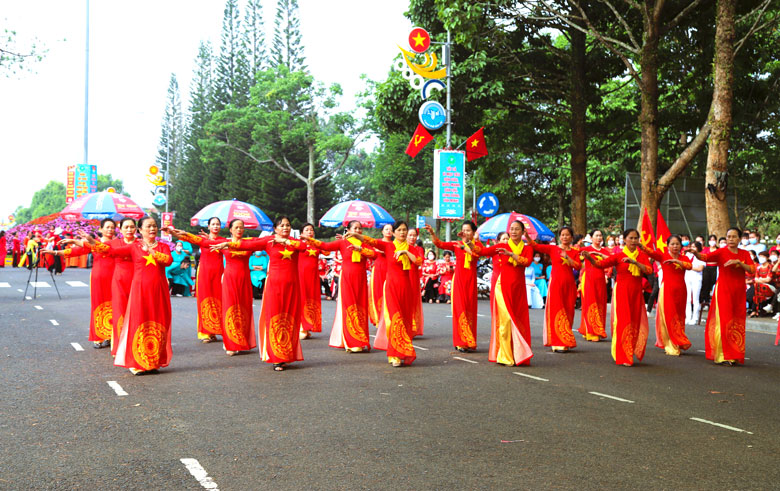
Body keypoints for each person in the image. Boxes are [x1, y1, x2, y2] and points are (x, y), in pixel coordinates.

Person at [78, 217, 173, 375]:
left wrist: (151, 251)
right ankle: (137, 363)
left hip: (159, 291)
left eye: (154, 226)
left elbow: (168, 261)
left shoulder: (162, 246)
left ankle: (153, 361)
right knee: (138, 322)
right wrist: (93, 243)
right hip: (140, 291)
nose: (152, 229)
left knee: (158, 322)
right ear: (140, 230)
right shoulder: (134, 247)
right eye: (148, 226)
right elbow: (111, 251)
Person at [215, 216, 306, 371]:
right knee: (275, 318)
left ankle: (287, 354)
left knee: (290, 320)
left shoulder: (294, 243)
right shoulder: (269, 241)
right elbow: (248, 243)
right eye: (281, 225)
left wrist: (285, 242)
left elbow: (304, 247)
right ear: (275, 229)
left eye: (288, 225)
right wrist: (228, 243)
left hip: (292, 286)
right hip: (274, 286)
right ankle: (277, 357)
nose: (285, 227)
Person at [348, 221, 419, 367]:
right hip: (392, 287)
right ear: (393, 233)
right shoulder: (388, 246)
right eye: (399, 230)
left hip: (407, 288)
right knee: (394, 319)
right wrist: (356, 235)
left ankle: (403, 351)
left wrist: (405, 252)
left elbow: (418, 262)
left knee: (405, 320)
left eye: (404, 230)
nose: (402, 233)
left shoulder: (412, 249)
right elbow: (371, 241)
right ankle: (394, 354)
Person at [303, 220, 376, 352]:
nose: (358, 231)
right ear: (348, 230)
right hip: (347, 278)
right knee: (349, 307)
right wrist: (310, 240)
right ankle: (352, 341)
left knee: (360, 308)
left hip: (361, 279)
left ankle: (359, 337)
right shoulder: (342, 242)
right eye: (355, 228)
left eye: (360, 229)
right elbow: (325, 246)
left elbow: (374, 254)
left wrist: (360, 248)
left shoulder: (365, 244)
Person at [583, 229, 652, 366]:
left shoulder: (642, 256)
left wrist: (635, 262)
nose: (633, 241)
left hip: (637, 293)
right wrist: (590, 257)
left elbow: (649, 270)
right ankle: (624, 355)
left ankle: (629, 349)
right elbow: (599, 265)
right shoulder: (618, 256)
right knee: (623, 321)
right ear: (624, 240)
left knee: (634, 322)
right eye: (630, 238)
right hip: (622, 292)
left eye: (635, 238)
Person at [689, 227, 755, 365]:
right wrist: (696, 254)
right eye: (728, 236)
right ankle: (723, 354)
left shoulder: (744, 254)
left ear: (739, 239)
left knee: (737, 321)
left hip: (738, 291)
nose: (730, 239)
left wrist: (739, 263)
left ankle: (734, 353)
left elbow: (752, 270)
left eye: (734, 237)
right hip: (724, 289)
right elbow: (705, 257)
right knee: (724, 320)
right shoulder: (721, 251)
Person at [50, 219, 117, 349]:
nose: (110, 230)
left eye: (112, 227)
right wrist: (57, 253)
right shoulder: (93, 244)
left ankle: (111, 335)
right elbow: (76, 251)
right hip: (98, 279)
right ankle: (99, 337)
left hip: (115, 278)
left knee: (115, 306)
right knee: (98, 306)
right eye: (107, 227)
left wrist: (76, 241)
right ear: (101, 229)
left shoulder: (118, 243)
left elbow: (107, 249)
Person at [479, 221, 534, 366]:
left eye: (517, 229)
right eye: (512, 229)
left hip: (518, 288)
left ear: (523, 232)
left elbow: (527, 262)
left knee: (518, 319)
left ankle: (518, 354)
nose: (514, 231)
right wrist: (472, 242)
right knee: (506, 320)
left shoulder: (527, 248)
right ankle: (504, 355)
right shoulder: (501, 246)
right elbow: (483, 252)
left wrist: (511, 255)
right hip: (502, 286)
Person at [425, 221, 483, 353]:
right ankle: (461, 342)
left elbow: (475, 254)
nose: (466, 232)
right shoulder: (457, 244)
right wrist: (432, 233)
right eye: (464, 230)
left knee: (470, 309)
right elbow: (439, 244)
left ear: (474, 232)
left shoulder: (478, 245)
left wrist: (468, 244)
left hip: (471, 281)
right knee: (460, 309)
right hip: (459, 280)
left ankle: (469, 340)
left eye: (468, 230)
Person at [167, 218, 225, 343]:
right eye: (213, 224)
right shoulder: (202, 240)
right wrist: (172, 232)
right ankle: (205, 332)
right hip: (204, 274)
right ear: (208, 226)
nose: (215, 226)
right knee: (204, 300)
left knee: (219, 301)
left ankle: (215, 330)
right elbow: (186, 237)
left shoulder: (223, 241)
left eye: (218, 224)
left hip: (218, 274)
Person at [529, 227, 581, 353]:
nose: (564, 237)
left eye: (567, 235)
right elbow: (536, 246)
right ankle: (558, 343)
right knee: (557, 311)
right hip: (556, 284)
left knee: (569, 311)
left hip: (569, 284)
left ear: (571, 238)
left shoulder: (574, 252)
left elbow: (578, 266)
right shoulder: (553, 249)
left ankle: (565, 339)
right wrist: (528, 236)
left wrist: (567, 257)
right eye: (562, 235)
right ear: (559, 237)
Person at [639, 235, 693, 356]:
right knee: (669, 315)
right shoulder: (663, 256)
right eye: (672, 244)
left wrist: (677, 261)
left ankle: (678, 340)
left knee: (679, 316)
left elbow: (689, 266)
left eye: (677, 244)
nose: (675, 246)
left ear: (681, 246)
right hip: (667, 290)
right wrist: (640, 245)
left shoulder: (685, 258)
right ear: (667, 246)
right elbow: (650, 252)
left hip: (681, 290)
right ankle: (670, 343)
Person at [108, 218, 138, 356]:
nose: (129, 230)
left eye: (132, 227)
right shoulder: (114, 243)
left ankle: (134, 343)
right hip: (119, 280)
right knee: (120, 311)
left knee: (136, 312)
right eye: (126, 227)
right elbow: (102, 249)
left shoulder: (140, 244)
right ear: (120, 229)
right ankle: (119, 345)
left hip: (138, 280)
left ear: (136, 229)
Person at [298, 223, 328, 339]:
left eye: (311, 230)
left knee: (312, 300)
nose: (310, 232)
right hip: (301, 276)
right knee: (302, 299)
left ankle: (308, 325)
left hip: (313, 277)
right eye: (307, 230)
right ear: (302, 233)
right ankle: (301, 326)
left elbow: (327, 252)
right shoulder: (299, 244)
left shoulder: (317, 245)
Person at [578, 229, 609, 342]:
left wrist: (600, 254)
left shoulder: (605, 251)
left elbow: (612, 260)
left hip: (600, 279)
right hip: (589, 279)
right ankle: (591, 332)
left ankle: (598, 330)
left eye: (600, 236)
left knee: (600, 303)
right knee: (590, 304)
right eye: (596, 236)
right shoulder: (585, 249)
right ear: (591, 238)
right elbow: (574, 254)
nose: (599, 238)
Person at [368, 223, 394, 327]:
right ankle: (378, 317)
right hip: (378, 269)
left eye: (390, 229)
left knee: (390, 293)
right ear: (382, 231)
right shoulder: (376, 242)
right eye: (386, 229)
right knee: (377, 292)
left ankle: (389, 317)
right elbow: (371, 254)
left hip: (390, 269)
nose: (388, 231)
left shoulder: (394, 244)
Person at [406, 227, 425, 337]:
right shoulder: (400, 246)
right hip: (401, 275)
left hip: (413, 277)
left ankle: (412, 326)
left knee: (412, 301)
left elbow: (419, 261)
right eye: (410, 235)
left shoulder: (418, 249)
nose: (412, 238)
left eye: (414, 235)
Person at [684, 242, 706, 325]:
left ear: (698, 248)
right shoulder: (687, 256)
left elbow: (700, 268)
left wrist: (689, 267)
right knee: (688, 299)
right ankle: (688, 317)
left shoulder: (701, 257)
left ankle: (695, 317)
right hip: (687, 278)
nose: (692, 248)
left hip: (696, 279)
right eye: (691, 246)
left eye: (694, 247)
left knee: (695, 299)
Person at [749, 251, 775, 318]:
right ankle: (755, 310)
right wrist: (761, 280)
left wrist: (760, 280)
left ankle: (755, 310)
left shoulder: (770, 267)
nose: (761, 258)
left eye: (763, 257)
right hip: (760, 285)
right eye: (760, 257)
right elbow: (756, 278)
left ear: (767, 257)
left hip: (770, 286)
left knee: (757, 287)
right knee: (756, 287)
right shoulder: (759, 268)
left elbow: (768, 279)